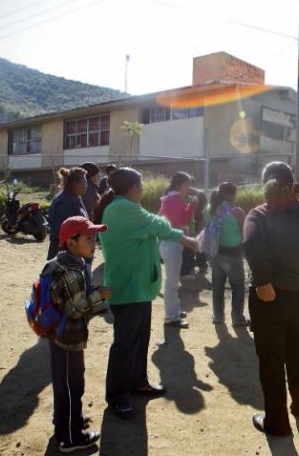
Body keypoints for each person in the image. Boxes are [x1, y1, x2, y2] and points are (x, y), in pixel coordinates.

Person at [97, 168, 199, 419]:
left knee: (139, 341)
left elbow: (157, 225)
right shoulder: (122, 209)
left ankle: (138, 382)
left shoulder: (127, 207)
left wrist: (182, 238)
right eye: (141, 185)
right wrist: (182, 237)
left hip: (139, 288)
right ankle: (117, 397)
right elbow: (159, 224)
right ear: (133, 187)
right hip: (128, 287)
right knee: (125, 346)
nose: (142, 190)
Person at [243, 161, 299, 437]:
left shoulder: (259, 214)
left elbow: (253, 248)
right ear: (292, 183)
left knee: (271, 359)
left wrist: (264, 281)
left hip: (271, 297)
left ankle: (277, 422)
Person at [42, 216, 109, 453]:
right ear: (71, 242)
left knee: (65, 384)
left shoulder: (59, 263)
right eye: (88, 238)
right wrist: (100, 295)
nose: (94, 242)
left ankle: (68, 421)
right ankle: (70, 438)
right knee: (72, 386)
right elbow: (75, 309)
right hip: (68, 337)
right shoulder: (71, 272)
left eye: (94, 237)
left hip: (57, 334)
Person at [203, 182, 248, 326]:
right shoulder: (237, 211)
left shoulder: (209, 208)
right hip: (232, 255)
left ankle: (218, 316)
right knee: (238, 287)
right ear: (230, 195)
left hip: (214, 254)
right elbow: (245, 233)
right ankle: (237, 318)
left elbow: (204, 228)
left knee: (217, 285)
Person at [158, 172, 199, 328]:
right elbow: (181, 221)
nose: (189, 188)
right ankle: (171, 317)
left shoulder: (171, 198)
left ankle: (174, 311)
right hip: (172, 244)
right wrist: (192, 207)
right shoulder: (173, 199)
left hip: (172, 243)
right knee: (172, 282)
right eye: (187, 185)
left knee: (172, 281)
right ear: (179, 185)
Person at [48, 167, 89, 261]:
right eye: (84, 183)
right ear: (75, 184)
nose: (86, 186)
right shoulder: (63, 201)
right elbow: (60, 232)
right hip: (64, 256)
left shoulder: (75, 197)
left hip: (76, 253)